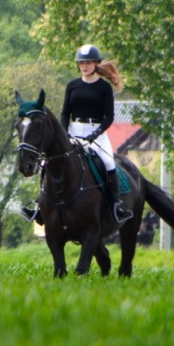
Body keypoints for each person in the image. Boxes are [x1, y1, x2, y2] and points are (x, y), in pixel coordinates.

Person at [60, 44, 132, 224]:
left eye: (88, 63)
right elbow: (65, 113)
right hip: (74, 131)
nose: (84, 66)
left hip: (97, 132)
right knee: (49, 161)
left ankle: (116, 206)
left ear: (96, 64)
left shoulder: (104, 87)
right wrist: (65, 132)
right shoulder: (72, 86)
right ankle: (39, 206)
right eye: (81, 63)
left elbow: (110, 117)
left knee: (108, 162)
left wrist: (95, 134)